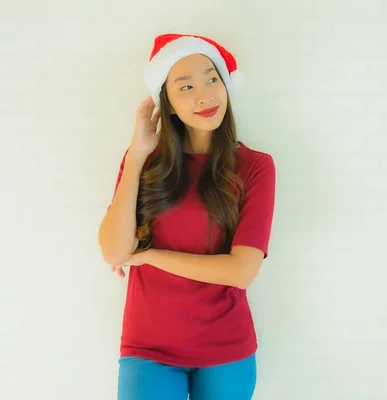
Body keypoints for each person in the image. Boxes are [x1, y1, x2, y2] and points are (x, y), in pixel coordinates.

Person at [98, 33, 276, 400]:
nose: (205, 95)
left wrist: (149, 256)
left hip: (227, 348)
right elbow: (115, 252)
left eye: (212, 79)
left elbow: (241, 272)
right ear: (169, 105)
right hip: (148, 347)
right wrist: (136, 154)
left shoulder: (256, 167)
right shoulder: (144, 164)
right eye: (186, 86)